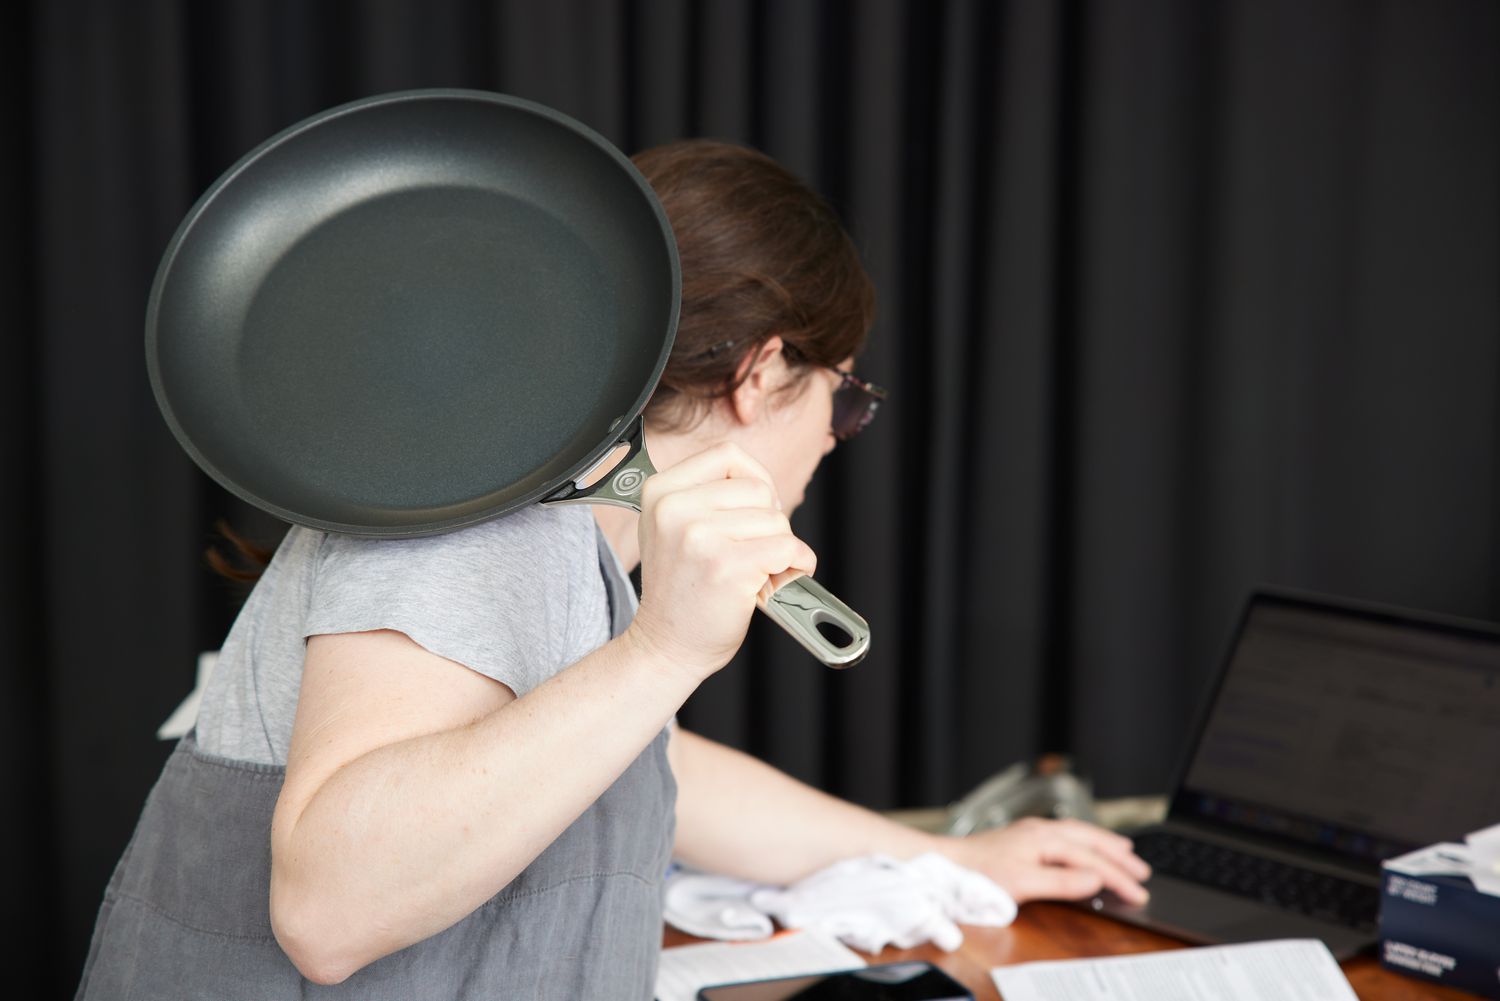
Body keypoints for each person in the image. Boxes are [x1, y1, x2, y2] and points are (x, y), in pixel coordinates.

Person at [77, 139, 1148, 1000]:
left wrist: (954, 860)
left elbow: (641, 764)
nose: (835, 438)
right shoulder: (487, 522)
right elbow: (330, 909)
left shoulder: (573, 536)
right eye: (848, 398)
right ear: (766, 369)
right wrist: (667, 647)